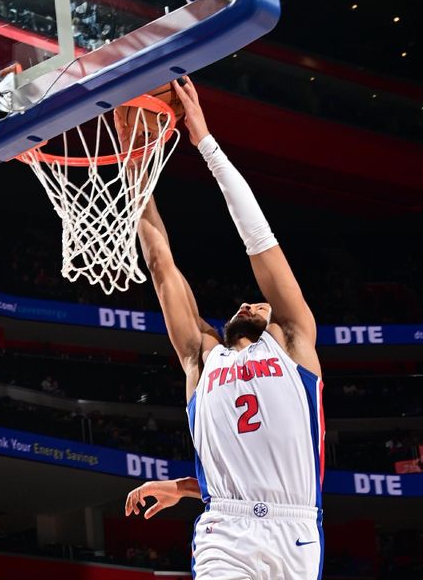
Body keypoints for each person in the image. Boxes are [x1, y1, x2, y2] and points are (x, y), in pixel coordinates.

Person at [122, 77, 325, 579]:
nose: (250, 302)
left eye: (259, 303)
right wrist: (135, 166)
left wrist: (206, 144)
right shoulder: (200, 357)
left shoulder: (293, 341)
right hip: (224, 532)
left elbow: (259, 237)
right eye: (249, 302)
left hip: (294, 529)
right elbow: (161, 263)